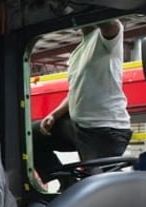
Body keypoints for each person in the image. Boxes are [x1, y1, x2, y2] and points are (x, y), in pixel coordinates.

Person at [33, 20, 132, 185]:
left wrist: (90, 4)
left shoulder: (104, 39)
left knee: (97, 188)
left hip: (103, 130)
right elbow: (76, 91)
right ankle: (65, 182)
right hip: (78, 127)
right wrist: (55, 115)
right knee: (32, 136)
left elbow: (111, 26)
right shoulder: (78, 51)